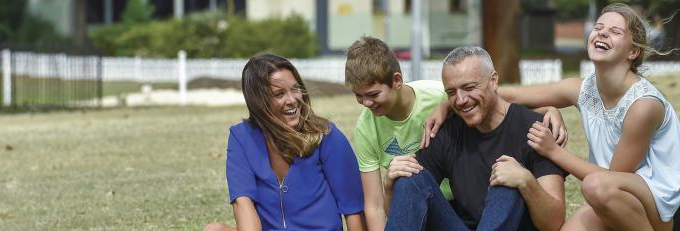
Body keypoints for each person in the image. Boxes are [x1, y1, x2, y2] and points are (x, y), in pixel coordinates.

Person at [426, 3, 680, 230]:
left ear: (633, 51)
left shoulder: (643, 105)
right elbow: (510, 96)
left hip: (666, 204)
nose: (602, 34)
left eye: (614, 31)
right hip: (614, 196)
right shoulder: (582, 88)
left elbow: (614, 177)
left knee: (595, 187)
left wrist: (553, 152)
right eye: (599, 28)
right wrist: (448, 104)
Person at [344, 36, 568, 230]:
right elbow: (408, 198)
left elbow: (554, 223)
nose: (460, 100)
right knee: (408, 177)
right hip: (457, 223)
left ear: (494, 80)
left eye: (469, 88)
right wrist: (391, 183)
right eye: (451, 92)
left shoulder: (536, 130)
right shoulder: (447, 131)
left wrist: (525, 181)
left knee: (506, 181)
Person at [205, 54, 366, 231]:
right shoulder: (242, 137)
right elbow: (242, 203)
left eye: (295, 89)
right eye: (279, 94)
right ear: (258, 102)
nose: (292, 100)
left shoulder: (327, 136)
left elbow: (353, 210)